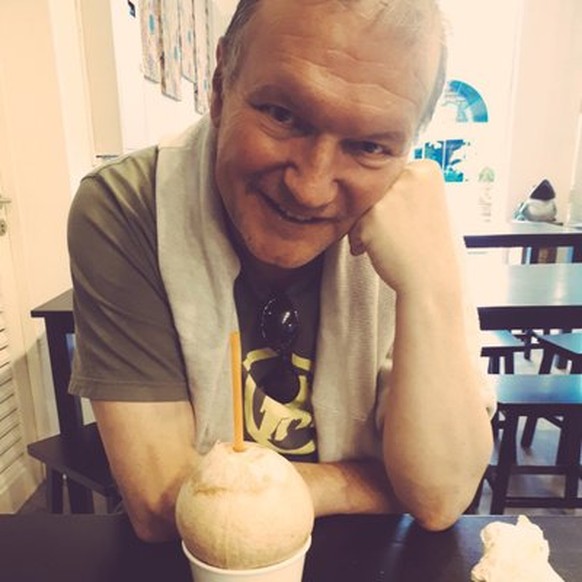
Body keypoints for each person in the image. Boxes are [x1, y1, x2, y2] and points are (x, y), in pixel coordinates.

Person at [68, 0, 495, 543]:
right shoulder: (128, 208)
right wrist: (383, 483)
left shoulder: (418, 222)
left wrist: (429, 289)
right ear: (219, 87)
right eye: (283, 115)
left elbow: (438, 497)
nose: (310, 188)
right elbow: (160, 502)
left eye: (369, 146)